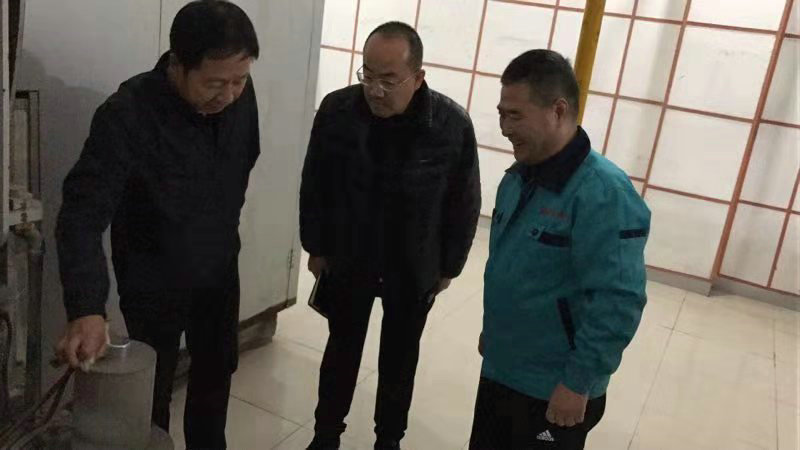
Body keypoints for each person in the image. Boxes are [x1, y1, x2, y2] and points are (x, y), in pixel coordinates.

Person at [54, 1, 260, 448]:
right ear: (177, 65)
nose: (228, 95)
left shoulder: (240, 98)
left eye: (239, 80)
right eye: (214, 83)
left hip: (218, 270)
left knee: (215, 376)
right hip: (153, 279)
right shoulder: (127, 114)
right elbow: (81, 214)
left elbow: (241, 165)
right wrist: (86, 307)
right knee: (151, 393)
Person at [300, 21, 481, 450]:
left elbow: (464, 202)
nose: (375, 90)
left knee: (400, 358)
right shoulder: (337, 111)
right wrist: (316, 246)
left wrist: (449, 266)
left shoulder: (450, 124)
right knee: (341, 348)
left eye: (389, 80)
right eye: (368, 75)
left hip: (413, 260)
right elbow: (315, 183)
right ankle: (326, 435)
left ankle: (388, 440)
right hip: (350, 253)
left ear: (418, 77)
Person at [469, 49, 651, 450]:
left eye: (516, 116)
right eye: (501, 114)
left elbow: (618, 300)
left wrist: (578, 382)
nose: (504, 128)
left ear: (558, 110)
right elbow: (512, 269)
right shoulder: (518, 178)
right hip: (502, 369)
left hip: (553, 387)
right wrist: (494, 332)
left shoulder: (603, 193)